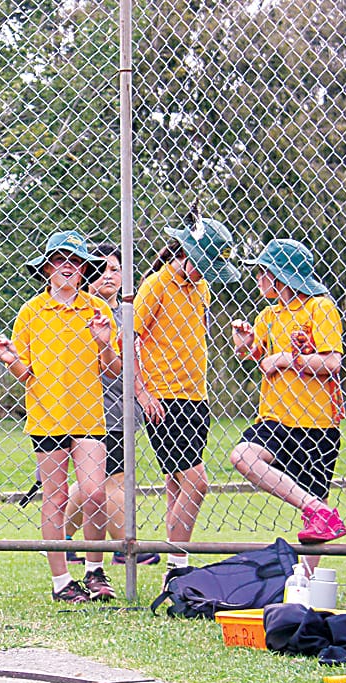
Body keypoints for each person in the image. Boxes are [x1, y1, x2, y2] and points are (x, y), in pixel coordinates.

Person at [0, 230, 121, 604]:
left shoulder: (98, 310)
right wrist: (10, 359)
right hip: (47, 417)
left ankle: (94, 569)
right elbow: (25, 373)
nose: (67, 266)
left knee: (94, 493)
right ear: (47, 268)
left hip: (89, 417)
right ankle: (62, 581)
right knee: (56, 497)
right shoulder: (31, 312)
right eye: (59, 259)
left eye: (75, 261)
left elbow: (111, 369)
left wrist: (104, 342)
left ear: (83, 269)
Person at [133, 214, 240, 587]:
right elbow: (131, 339)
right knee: (198, 482)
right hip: (164, 398)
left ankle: (174, 569)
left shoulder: (202, 287)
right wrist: (142, 391)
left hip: (197, 396)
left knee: (177, 486)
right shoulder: (155, 285)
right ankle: (178, 567)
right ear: (186, 254)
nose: (204, 273)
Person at [230, 238, 346, 555]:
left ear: (280, 275)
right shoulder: (268, 315)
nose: (258, 279)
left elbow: (332, 361)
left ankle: (305, 588)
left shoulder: (319, 307)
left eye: (263, 272)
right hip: (275, 418)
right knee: (243, 455)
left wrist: (287, 359)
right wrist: (245, 345)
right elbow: (261, 359)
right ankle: (313, 505)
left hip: (316, 423)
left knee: (317, 528)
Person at [63, 242, 160, 566]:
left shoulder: (128, 314)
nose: (108, 275)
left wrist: (143, 391)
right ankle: (124, 545)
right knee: (112, 479)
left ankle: (59, 536)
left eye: (115, 269)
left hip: (123, 407)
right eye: (101, 269)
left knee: (100, 481)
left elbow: (138, 358)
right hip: (91, 407)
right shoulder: (80, 312)